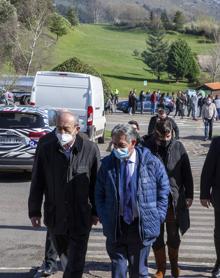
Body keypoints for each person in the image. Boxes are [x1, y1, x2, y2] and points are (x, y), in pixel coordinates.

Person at [28, 110, 100, 278]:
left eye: (66, 129)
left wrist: (97, 212)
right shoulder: (46, 149)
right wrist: (34, 211)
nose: (62, 133)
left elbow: (97, 184)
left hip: (81, 217)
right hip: (56, 217)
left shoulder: (90, 149)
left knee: (75, 263)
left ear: (77, 128)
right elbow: (37, 182)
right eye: (58, 128)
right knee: (66, 258)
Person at [95, 124, 170, 278]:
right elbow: (99, 193)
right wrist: (104, 216)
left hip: (140, 226)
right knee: (118, 270)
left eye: (121, 145)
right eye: (114, 144)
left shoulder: (151, 163)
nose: (116, 149)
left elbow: (164, 190)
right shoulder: (107, 164)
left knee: (139, 272)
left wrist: (158, 215)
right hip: (116, 225)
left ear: (133, 143)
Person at [143, 119, 194, 278]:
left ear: (172, 132)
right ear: (155, 134)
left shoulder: (178, 147)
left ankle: (174, 265)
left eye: (168, 136)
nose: (165, 140)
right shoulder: (147, 147)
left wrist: (190, 195)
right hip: (153, 199)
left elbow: (187, 173)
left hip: (173, 199)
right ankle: (160, 268)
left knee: (173, 235)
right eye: (161, 137)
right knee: (156, 235)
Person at [200, 137, 220, 278]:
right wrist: (204, 193)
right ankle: (219, 261)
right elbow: (208, 168)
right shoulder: (218, 142)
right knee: (219, 232)